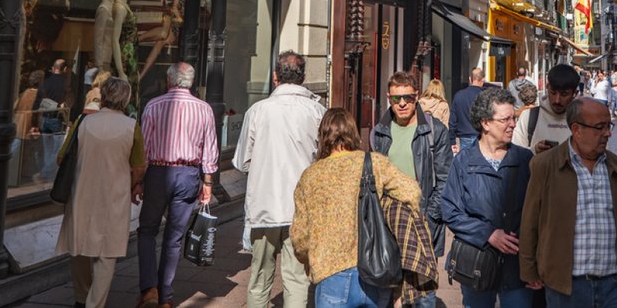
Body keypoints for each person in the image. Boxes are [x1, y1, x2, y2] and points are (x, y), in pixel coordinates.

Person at [292, 108, 423, 308]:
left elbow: (299, 238)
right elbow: (412, 192)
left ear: (323, 136)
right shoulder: (374, 163)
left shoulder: (310, 176)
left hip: (330, 274)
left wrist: (309, 258)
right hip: (376, 269)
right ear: (353, 133)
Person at [520, 97, 617, 307]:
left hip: (612, 282)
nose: (608, 133)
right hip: (565, 285)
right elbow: (530, 222)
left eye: (608, 126)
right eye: (599, 127)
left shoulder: (614, 165)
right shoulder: (545, 165)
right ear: (577, 129)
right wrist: (529, 270)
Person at [235, 51, 325, 308]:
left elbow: (241, 161)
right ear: (304, 77)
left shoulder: (257, 111)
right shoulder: (317, 111)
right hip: (301, 208)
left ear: (275, 77)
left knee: (260, 277)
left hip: (264, 206)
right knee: (297, 279)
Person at [55, 77, 145, 308]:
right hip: (114, 195)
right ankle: (95, 303)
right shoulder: (131, 127)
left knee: (79, 248)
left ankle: (81, 297)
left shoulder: (83, 122)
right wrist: (133, 184)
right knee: (107, 254)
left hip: (82, 192)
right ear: (125, 99)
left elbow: (61, 157)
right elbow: (138, 166)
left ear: (103, 96)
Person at [441, 87, 535, 308]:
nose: (512, 124)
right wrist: (488, 234)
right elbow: (450, 211)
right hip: (476, 264)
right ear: (485, 123)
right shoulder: (464, 161)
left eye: (513, 118)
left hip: (517, 268)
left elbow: (538, 213)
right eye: (505, 119)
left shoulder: (525, 160)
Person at [135, 63, 218, 308]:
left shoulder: (153, 105)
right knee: (174, 237)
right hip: (189, 174)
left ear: (169, 80)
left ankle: (149, 289)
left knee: (147, 230)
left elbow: (144, 148)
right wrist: (208, 182)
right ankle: (166, 296)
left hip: (159, 172)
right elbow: (210, 149)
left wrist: (138, 181)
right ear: (190, 83)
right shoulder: (204, 109)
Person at [371, 72, 451, 307]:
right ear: (389, 99)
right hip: (388, 223)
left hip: (422, 221)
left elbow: (445, 180)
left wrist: (430, 217)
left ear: (416, 97)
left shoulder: (434, 131)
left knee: (422, 294)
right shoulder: (379, 132)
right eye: (397, 99)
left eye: (407, 97)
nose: (402, 103)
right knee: (386, 290)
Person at [512, 64, 579, 154]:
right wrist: (534, 150)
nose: (557, 100)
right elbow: (515, 153)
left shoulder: (583, 120)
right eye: (553, 92)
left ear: (575, 93)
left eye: (564, 94)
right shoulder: (528, 117)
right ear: (547, 87)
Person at [449, 67, 486, 153]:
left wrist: (452, 140)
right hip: (482, 137)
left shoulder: (459, 95)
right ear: (483, 80)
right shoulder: (485, 96)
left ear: (470, 79)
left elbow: (452, 120)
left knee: (466, 164)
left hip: (464, 138)